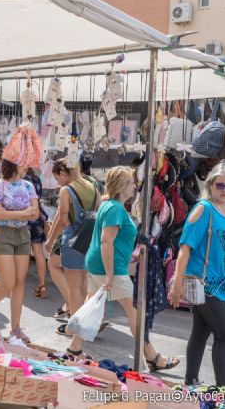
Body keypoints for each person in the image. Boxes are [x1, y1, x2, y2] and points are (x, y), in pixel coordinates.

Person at [67, 166, 178, 371]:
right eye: (131, 183)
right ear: (122, 186)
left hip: (101, 265)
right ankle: (151, 355)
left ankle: (74, 348)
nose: (135, 186)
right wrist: (110, 275)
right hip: (110, 268)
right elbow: (106, 241)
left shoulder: (109, 205)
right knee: (133, 311)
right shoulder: (115, 208)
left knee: (90, 306)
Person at [169, 161, 225, 387]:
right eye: (220, 185)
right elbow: (185, 248)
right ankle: (222, 389)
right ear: (210, 185)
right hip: (205, 283)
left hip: (222, 284)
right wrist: (177, 284)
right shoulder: (204, 209)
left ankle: (190, 382)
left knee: (201, 332)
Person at [0, 159, 39, 343]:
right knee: (7, 282)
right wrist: (23, 213)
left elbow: (35, 213)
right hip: (2, 235)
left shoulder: (29, 185)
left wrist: (10, 212)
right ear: (14, 164)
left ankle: (15, 329)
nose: (27, 165)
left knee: (19, 283)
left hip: (22, 235)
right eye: (23, 163)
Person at [44, 159, 100, 336]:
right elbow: (98, 209)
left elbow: (62, 220)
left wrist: (50, 241)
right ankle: (81, 324)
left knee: (74, 286)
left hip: (72, 240)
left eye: (57, 177)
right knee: (83, 283)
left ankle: (74, 327)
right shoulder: (91, 185)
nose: (58, 182)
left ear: (62, 173)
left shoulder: (66, 190)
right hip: (88, 239)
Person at [24, 167, 48, 298]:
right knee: (38, 252)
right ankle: (42, 284)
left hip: (25, 216)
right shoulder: (37, 178)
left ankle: (18, 283)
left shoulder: (22, 179)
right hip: (37, 215)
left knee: (23, 251)